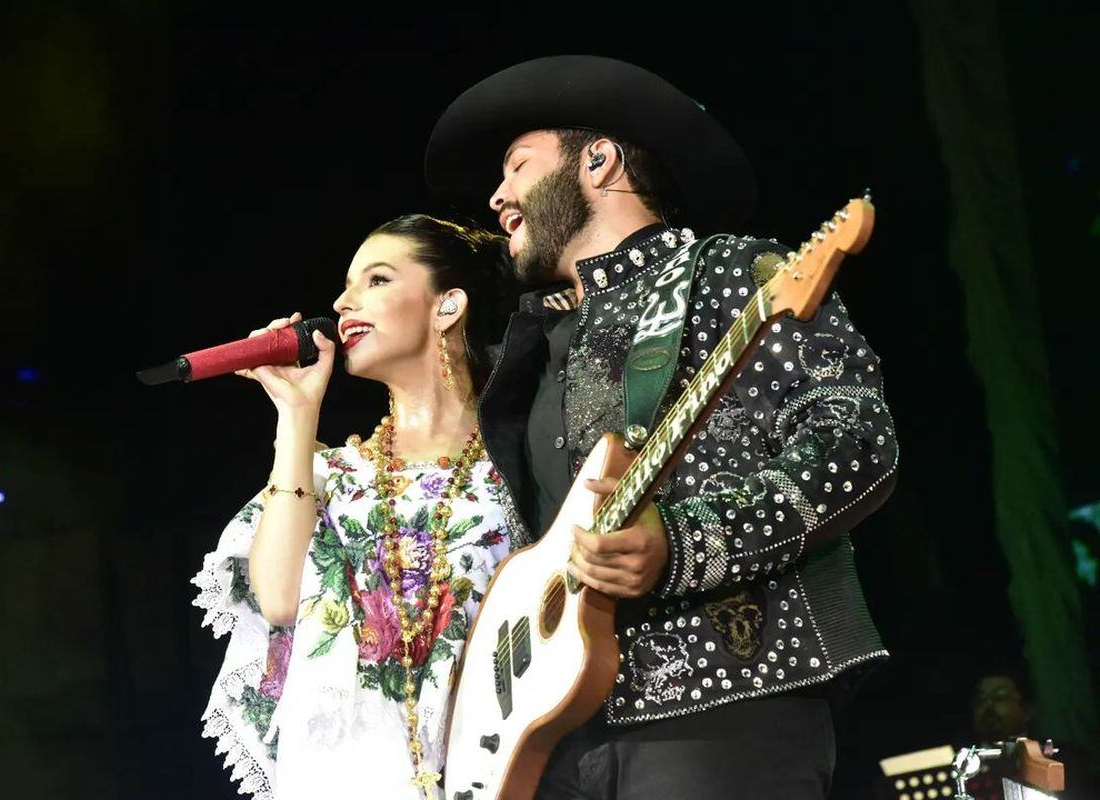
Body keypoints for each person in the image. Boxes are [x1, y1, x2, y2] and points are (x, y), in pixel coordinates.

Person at [425, 55, 900, 798]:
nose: (497, 195)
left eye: (517, 166)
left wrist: (681, 543)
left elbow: (854, 443)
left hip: (720, 705)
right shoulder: (529, 348)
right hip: (553, 740)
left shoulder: (735, 273)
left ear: (599, 160)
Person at [191, 215, 517, 799]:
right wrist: (297, 413)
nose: (342, 303)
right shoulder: (331, 476)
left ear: (448, 306)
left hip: (510, 765)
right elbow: (279, 599)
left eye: (377, 280)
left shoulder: (525, 457)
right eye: (346, 285)